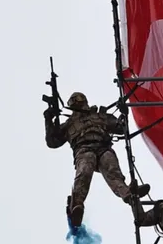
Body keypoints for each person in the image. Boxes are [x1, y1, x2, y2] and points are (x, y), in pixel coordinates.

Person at [45, 92, 149, 228]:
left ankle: (127, 193)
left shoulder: (100, 116)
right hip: (84, 150)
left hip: (102, 148)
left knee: (112, 168)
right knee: (84, 171)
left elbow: (121, 128)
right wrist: (48, 119)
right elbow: (52, 142)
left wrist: (124, 114)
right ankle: (77, 205)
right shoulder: (69, 124)